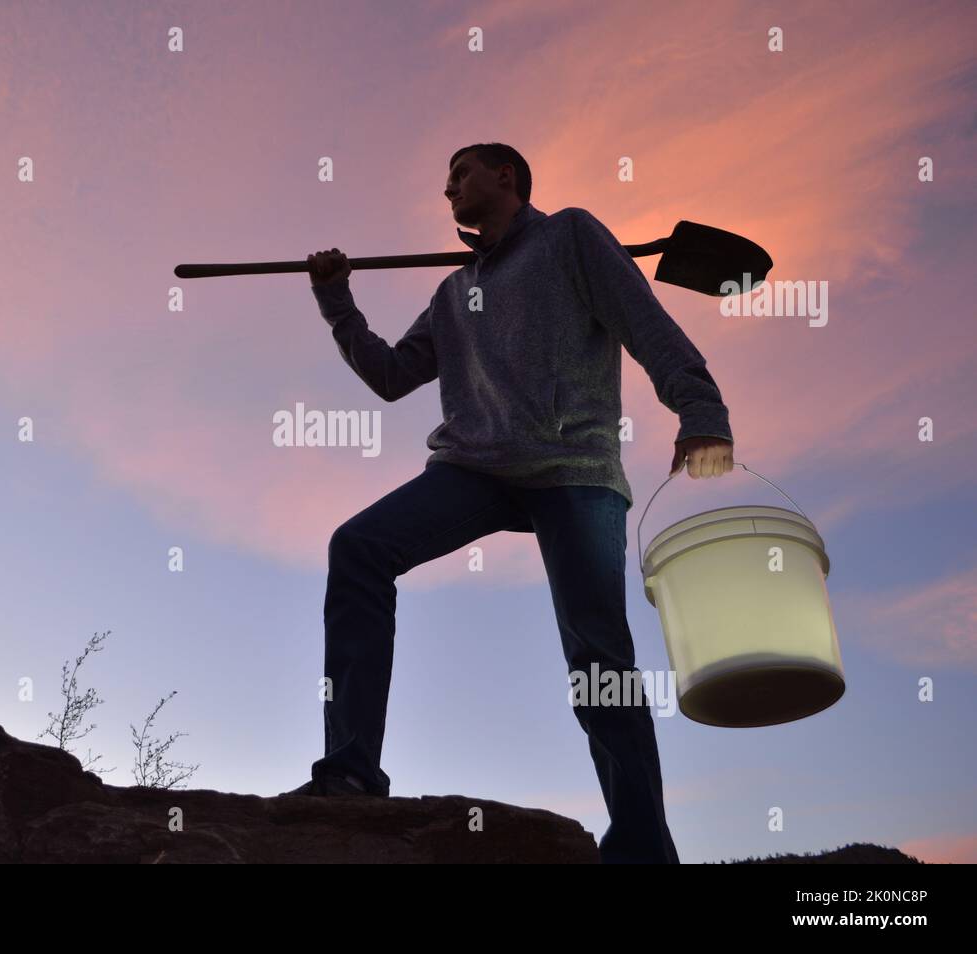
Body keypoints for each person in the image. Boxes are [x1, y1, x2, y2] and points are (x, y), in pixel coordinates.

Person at [277, 143, 735, 864]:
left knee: (599, 652)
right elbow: (393, 376)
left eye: (460, 172)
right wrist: (337, 302)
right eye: (446, 180)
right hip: (475, 465)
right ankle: (351, 773)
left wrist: (701, 411)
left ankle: (643, 847)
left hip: (574, 465)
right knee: (358, 548)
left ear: (506, 177)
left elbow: (646, 326)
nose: (449, 187)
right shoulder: (455, 292)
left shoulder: (572, 237)